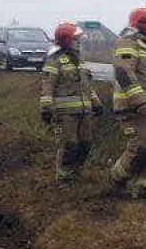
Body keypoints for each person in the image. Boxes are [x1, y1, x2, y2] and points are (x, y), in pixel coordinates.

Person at [110, 7, 146, 199]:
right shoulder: (128, 42)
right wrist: (139, 101)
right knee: (141, 149)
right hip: (135, 108)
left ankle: (145, 188)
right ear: (143, 25)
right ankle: (117, 180)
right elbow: (124, 72)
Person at [40, 23, 103, 185]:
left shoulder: (79, 59)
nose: (79, 41)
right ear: (67, 40)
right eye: (76, 39)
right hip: (65, 114)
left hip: (84, 112)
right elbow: (47, 87)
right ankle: (64, 176)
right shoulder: (54, 61)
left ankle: (76, 171)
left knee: (86, 144)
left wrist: (96, 103)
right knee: (69, 145)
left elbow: (86, 85)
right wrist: (46, 110)